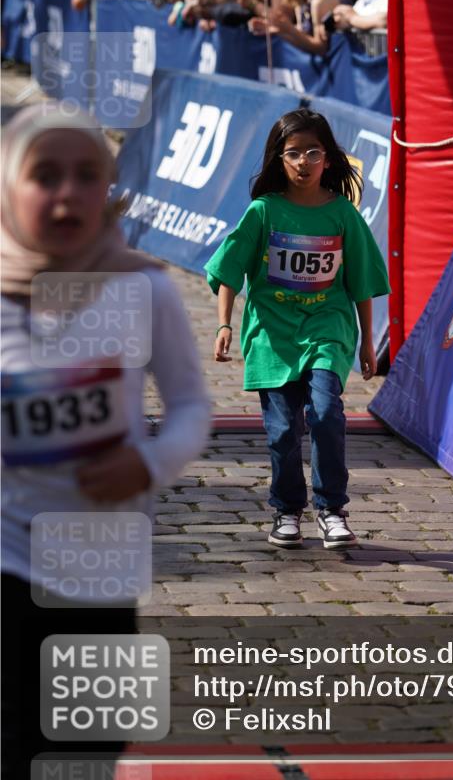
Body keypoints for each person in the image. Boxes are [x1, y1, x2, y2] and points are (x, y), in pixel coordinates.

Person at [1, 103, 210, 775]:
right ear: (9, 187)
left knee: (87, 750)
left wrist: (146, 464)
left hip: (100, 568)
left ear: (111, 190)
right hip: (6, 557)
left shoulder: (143, 290)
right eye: (45, 175)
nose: (67, 194)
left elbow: (190, 408)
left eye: (87, 175)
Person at [205, 109, 390, 550]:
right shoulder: (263, 211)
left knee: (326, 413)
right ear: (278, 158)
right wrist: (224, 324)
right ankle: (287, 510)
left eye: (313, 151)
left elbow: (360, 282)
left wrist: (366, 340)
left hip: (328, 327)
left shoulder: (343, 214)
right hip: (273, 335)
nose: (304, 161)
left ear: (329, 157)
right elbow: (228, 272)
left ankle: (331, 509)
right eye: (293, 153)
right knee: (284, 431)